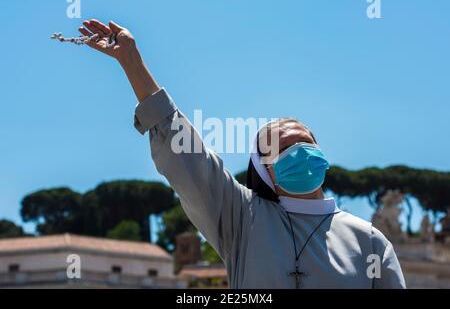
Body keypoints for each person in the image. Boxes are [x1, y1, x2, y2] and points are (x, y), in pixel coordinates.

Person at [79, 19, 406, 289]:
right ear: (265, 171)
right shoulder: (242, 218)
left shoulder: (370, 241)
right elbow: (188, 156)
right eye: (284, 148)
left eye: (305, 143)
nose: (298, 151)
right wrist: (132, 61)